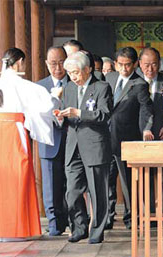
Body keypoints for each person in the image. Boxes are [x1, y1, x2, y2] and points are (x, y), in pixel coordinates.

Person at [0, 48, 61, 241]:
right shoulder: (22, 85)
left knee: (1, 178)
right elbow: (46, 106)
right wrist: (56, 96)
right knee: (20, 175)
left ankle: (1, 228)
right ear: (20, 62)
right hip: (15, 131)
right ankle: (17, 228)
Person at [57, 51, 112, 244]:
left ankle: (96, 231)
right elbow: (65, 115)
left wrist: (79, 112)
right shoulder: (70, 88)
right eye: (70, 73)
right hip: (73, 147)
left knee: (98, 193)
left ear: (88, 69)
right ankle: (79, 227)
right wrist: (60, 117)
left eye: (76, 72)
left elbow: (104, 115)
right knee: (72, 192)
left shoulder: (101, 87)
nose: (73, 77)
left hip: (94, 145)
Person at [105, 47, 154, 229]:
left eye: (128, 65)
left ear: (134, 65)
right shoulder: (108, 78)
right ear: (115, 64)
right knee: (107, 180)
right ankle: (107, 217)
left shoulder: (139, 84)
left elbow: (146, 109)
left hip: (126, 138)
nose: (124, 69)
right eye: (120, 65)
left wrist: (146, 129)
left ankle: (131, 218)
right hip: (106, 138)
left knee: (127, 183)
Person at [138, 47, 163, 216]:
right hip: (140, 135)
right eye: (146, 64)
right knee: (144, 174)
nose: (150, 69)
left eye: (154, 64)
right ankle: (146, 212)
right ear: (139, 64)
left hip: (162, 133)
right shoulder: (134, 82)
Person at [36, 46, 69, 236]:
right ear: (47, 64)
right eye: (53, 63)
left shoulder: (74, 83)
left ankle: (74, 220)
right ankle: (55, 224)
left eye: (62, 62)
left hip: (72, 141)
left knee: (71, 185)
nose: (58, 67)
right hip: (49, 143)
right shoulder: (40, 87)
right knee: (51, 186)